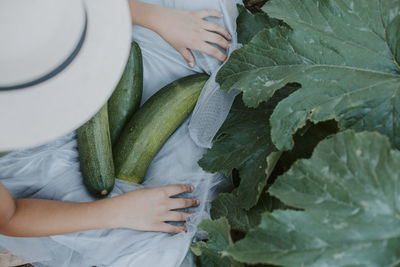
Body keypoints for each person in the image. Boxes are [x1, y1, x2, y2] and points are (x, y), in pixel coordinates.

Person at [0, 0, 241, 266]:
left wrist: (158, 18)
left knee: (211, 20)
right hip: (34, 164)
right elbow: (10, 217)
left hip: (77, 47)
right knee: (148, 251)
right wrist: (119, 211)